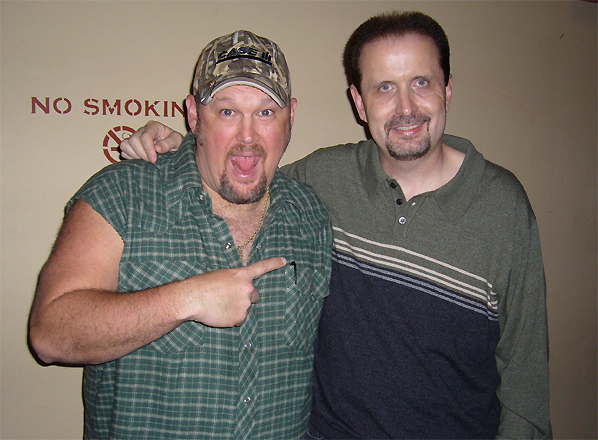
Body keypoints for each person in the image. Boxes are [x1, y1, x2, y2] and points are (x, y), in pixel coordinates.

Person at [120, 11, 552, 439]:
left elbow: (526, 378)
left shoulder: (502, 205)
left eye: (421, 82)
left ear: (448, 90)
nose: (405, 107)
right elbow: (243, 174)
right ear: (359, 103)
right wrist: (187, 149)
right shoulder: (325, 178)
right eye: (385, 87)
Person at [29, 30, 332, 440]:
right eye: (226, 112)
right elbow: (50, 333)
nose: (247, 136)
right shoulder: (122, 195)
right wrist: (188, 298)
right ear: (193, 115)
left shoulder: (311, 213)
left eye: (265, 112)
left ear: (290, 117)